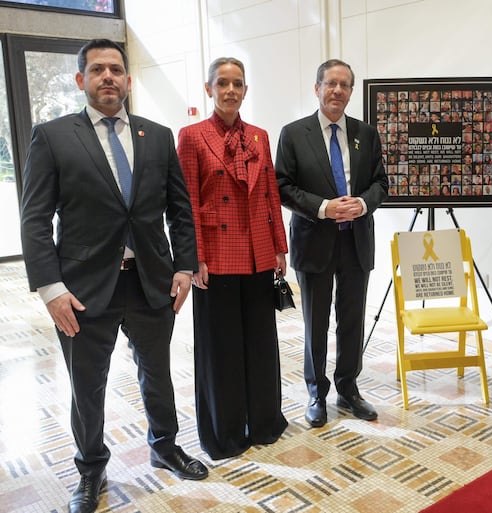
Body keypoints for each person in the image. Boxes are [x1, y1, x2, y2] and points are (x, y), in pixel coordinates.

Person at [19, 39, 207, 513]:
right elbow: (35, 219)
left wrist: (183, 265)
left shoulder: (158, 136)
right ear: (81, 80)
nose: (109, 77)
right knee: (87, 387)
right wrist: (51, 289)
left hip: (150, 284)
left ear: (127, 79)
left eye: (117, 70)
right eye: (98, 69)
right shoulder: (54, 136)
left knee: (158, 375)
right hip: (81, 291)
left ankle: (164, 447)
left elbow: (180, 211)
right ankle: (90, 469)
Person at [176, 57, 289, 459]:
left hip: (259, 253)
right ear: (209, 89)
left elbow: (271, 195)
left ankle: (264, 422)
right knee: (220, 350)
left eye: (237, 83)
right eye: (222, 83)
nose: (230, 90)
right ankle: (223, 434)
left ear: (245, 89)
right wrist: (194, 258)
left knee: (260, 345)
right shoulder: (192, 136)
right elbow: (186, 200)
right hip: (216, 258)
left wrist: (279, 246)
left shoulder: (259, 136)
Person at [275, 59, 388, 428]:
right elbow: (282, 187)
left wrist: (363, 203)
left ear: (351, 91)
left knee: (351, 320)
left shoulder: (366, 134)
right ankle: (315, 392)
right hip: (314, 241)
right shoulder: (294, 133)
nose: (337, 90)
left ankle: (348, 387)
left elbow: (380, 184)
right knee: (316, 323)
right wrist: (323, 208)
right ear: (317, 88)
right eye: (330, 84)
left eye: (344, 85)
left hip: (356, 242)